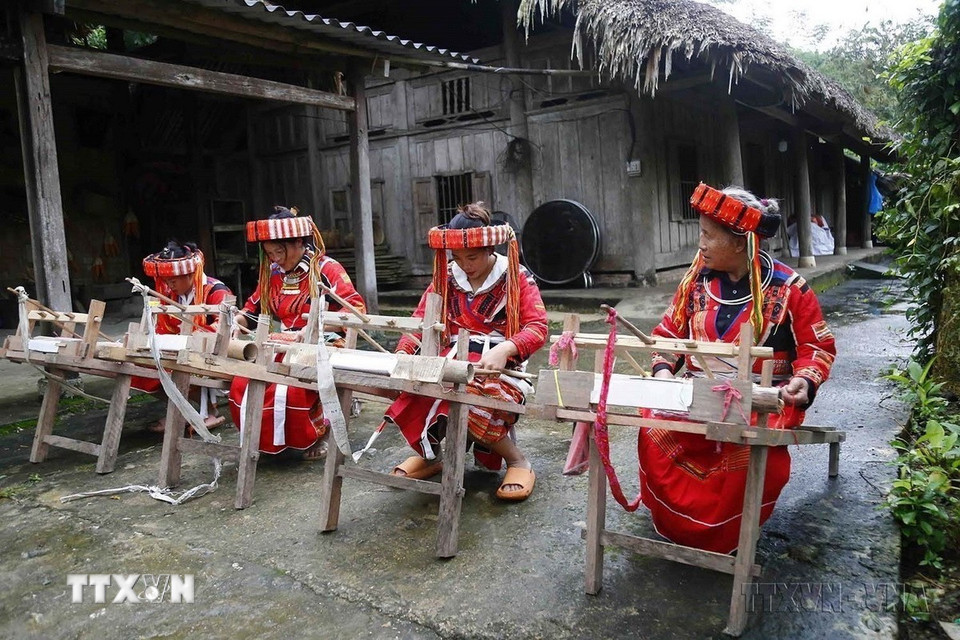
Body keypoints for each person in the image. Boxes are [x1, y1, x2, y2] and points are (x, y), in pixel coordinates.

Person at [641, 183, 836, 553]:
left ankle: (728, 534)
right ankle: (677, 523)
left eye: (708, 236)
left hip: (760, 400)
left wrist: (803, 381)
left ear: (742, 242)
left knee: (748, 454)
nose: (699, 244)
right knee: (652, 426)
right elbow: (667, 333)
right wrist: (664, 371)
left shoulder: (790, 288)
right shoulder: (694, 283)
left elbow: (817, 346)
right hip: (697, 394)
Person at [382, 202, 547, 501]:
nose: (465, 265)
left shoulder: (516, 276)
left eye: (471, 257)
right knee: (414, 388)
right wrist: (404, 352)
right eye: (457, 258)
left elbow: (537, 327)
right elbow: (423, 320)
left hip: (499, 366)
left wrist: (507, 348)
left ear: (489, 249)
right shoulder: (446, 276)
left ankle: (518, 460)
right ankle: (434, 456)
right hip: (450, 360)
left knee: (469, 396)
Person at [228, 206, 366, 460]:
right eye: (269, 254)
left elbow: (355, 311)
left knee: (291, 386)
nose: (275, 259)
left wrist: (314, 328)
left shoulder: (327, 269)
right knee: (244, 381)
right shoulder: (272, 273)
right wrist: (235, 322)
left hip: (325, 340)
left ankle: (316, 434)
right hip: (284, 341)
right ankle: (266, 440)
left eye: (279, 251)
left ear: (299, 243)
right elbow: (252, 308)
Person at [133, 240, 233, 433]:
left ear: (190, 274)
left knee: (188, 362)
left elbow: (225, 328)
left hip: (211, 354)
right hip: (178, 350)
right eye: (166, 280)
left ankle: (206, 412)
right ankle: (182, 410)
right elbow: (163, 326)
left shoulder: (215, 290)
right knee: (139, 364)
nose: (169, 285)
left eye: (173, 280)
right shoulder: (171, 294)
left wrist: (192, 337)